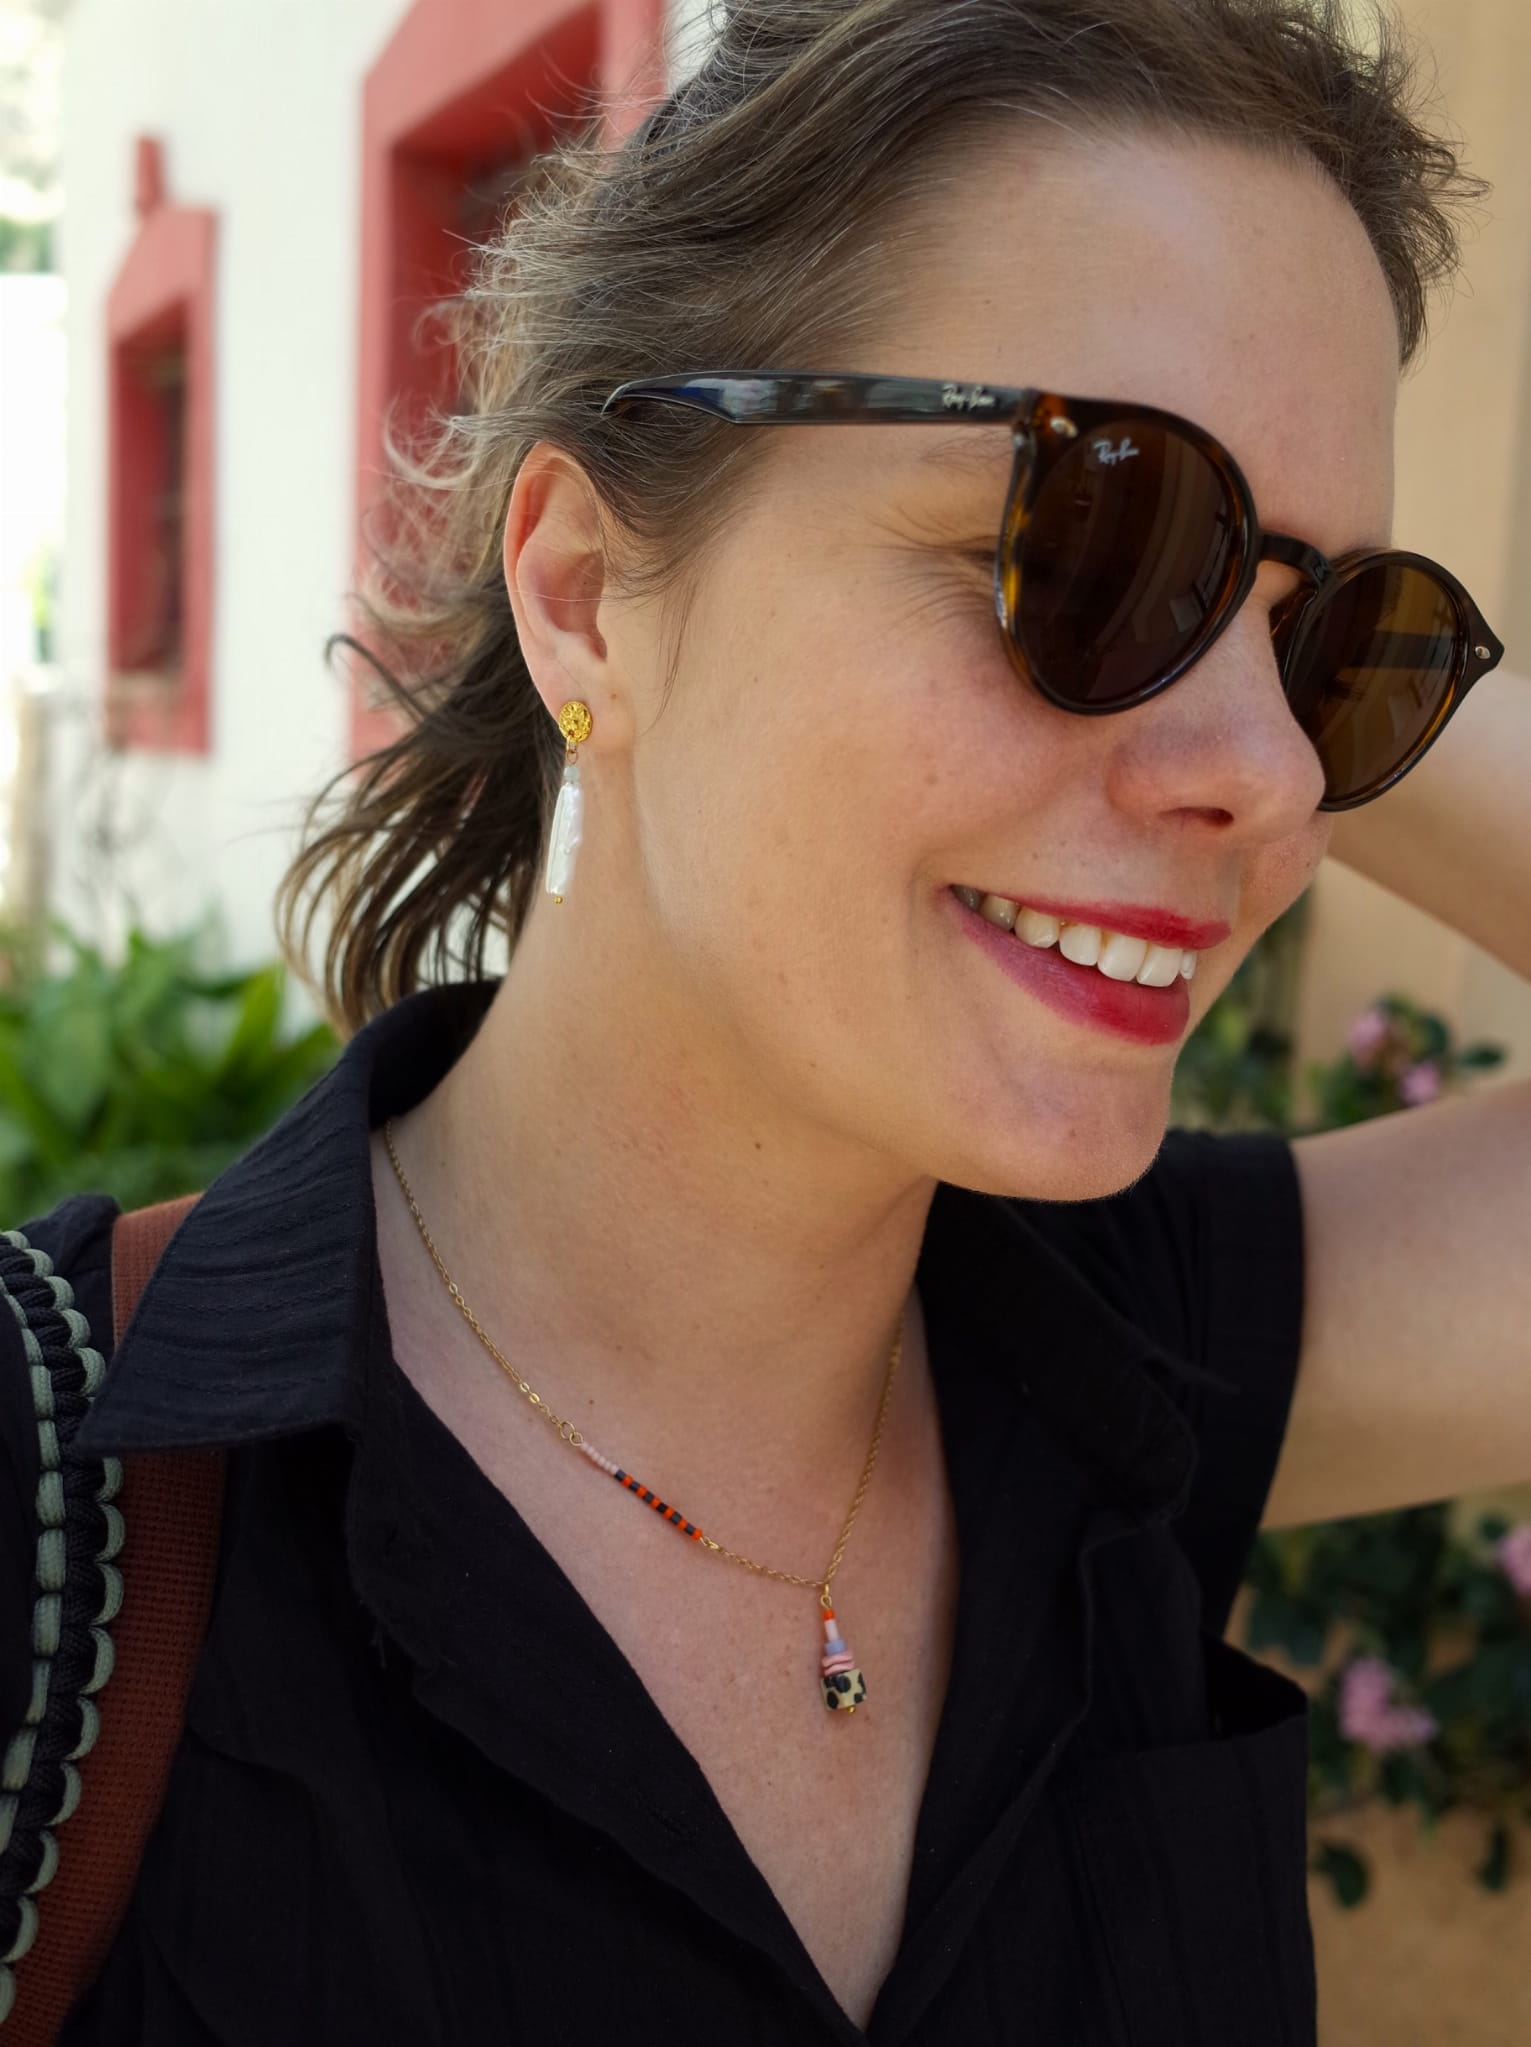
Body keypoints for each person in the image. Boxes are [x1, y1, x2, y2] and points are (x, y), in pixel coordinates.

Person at [4, 0, 1530, 2038]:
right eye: (1090, 544)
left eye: (1335, 657)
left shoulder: (1125, 1364)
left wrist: (1285, 568)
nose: (1268, 784)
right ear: (584, 592)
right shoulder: (58, 1531)